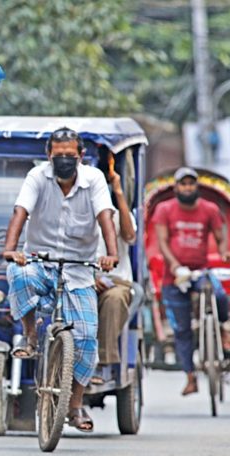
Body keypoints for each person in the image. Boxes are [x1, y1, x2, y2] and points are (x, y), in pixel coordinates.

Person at [3, 127, 118, 432]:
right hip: (40, 263)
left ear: (81, 156)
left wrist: (111, 253)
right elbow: (20, 211)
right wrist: (11, 249)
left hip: (79, 270)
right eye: (59, 155)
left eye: (70, 155)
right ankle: (29, 336)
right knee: (18, 273)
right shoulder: (37, 177)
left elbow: (105, 216)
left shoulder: (94, 180)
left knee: (85, 339)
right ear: (48, 155)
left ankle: (75, 407)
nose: (64, 160)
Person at [153, 167, 230, 396]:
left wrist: (225, 252)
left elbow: (220, 238)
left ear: (196, 187)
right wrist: (175, 266)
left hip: (201, 271)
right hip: (175, 276)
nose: (188, 187)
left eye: (191, 184)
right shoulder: (164, 209)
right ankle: (190, 376)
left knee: (219, 295)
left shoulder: (209, 209)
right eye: (183, 184)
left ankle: (221, 327)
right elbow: (162, 241)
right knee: (182, 330)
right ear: (176, 187)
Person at [92, 158, 136, 385]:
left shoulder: (117, 216)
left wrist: (119, 192)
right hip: (80, 278)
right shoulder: (77, 213)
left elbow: (130, 236)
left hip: (116, 283)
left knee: (115, 298)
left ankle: (102, 362)